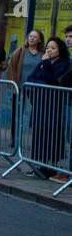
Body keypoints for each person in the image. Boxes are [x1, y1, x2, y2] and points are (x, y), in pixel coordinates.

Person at [26, 38, 71, 183]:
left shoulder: (63, 64)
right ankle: (40, 164)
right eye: (47, 48)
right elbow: (31, 78)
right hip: (40, 103)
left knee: (51, 135)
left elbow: (53, 80)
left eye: (53, 48)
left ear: (60, 50)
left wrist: (45, 65)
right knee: (39, 133)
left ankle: (51, 166)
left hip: (54, 105)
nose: (49, 51)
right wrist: (40, 80)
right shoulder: (43, 62)